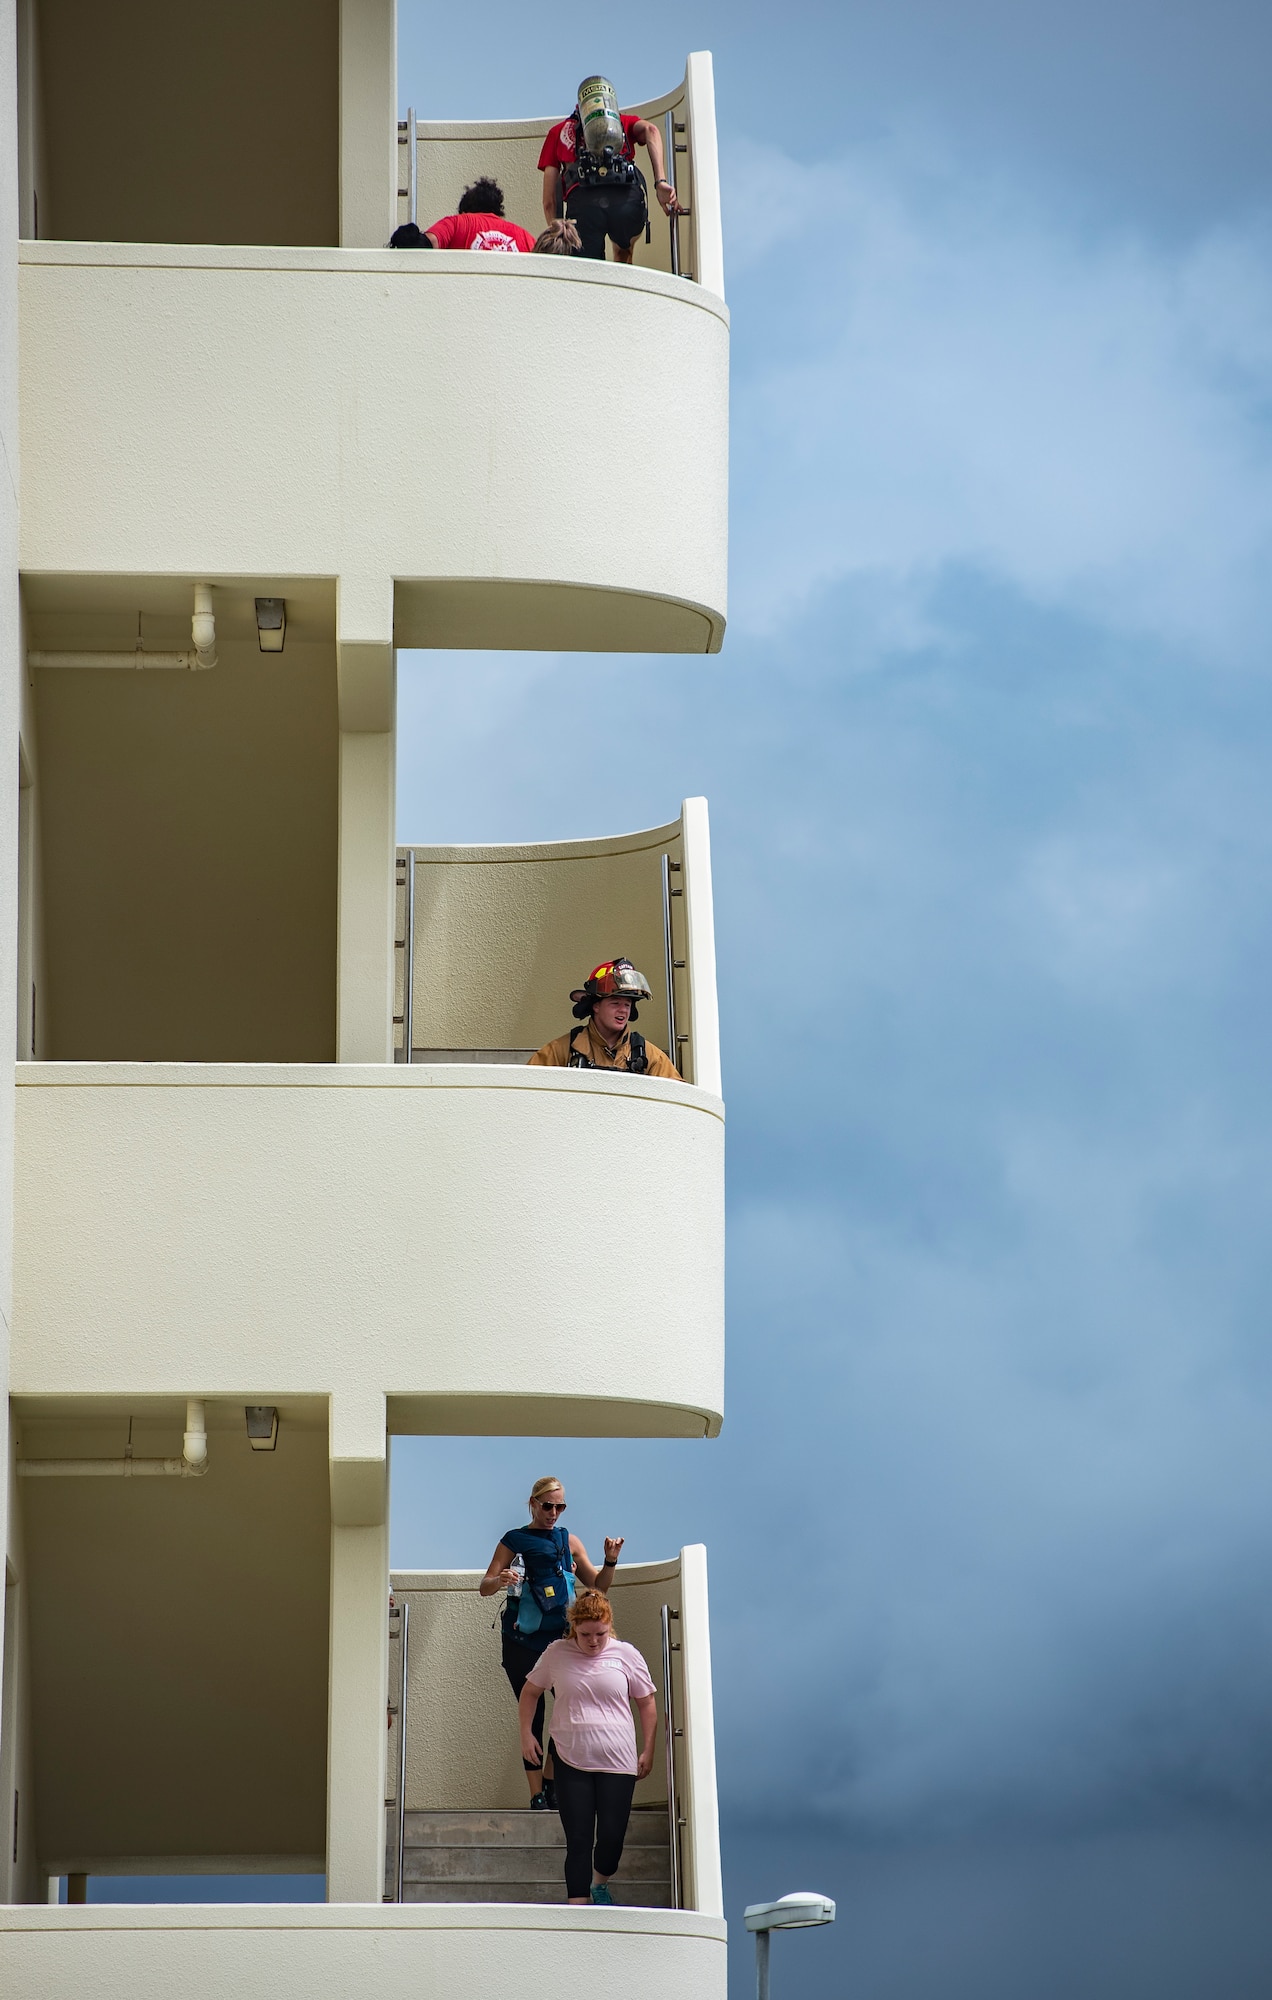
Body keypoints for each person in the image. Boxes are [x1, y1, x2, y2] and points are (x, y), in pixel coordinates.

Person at [479, 1477, 625, 1809]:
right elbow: (484, 1586)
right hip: (521, 1642)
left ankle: (550, 1781)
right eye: (548, 1506)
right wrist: (501, 1580)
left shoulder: (568, 1540)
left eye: (560, 1507)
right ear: (532, 1503)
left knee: (572, 1714)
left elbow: (598, 1589)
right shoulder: (514, 1540)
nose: (554, 1513)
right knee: (533, 1716)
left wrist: (610, 1560)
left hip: (561, 1645)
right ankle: (537, 1797)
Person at [520, 1589, 658, 1905]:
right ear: (573, 1627)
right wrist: (526, 1734)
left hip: (618, 1762)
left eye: (600, 1634)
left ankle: (599, 1883)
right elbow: (530, 1692)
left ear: (609, 1627)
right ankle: (578, 1909)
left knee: (611, 1839)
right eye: (585, 1634)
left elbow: (646, 1703)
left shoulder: (626, 1654)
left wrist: (648, 1749)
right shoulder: (556, 1653)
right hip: (570, 1760)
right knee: (579, 1839)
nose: (593, 1641)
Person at [538, 75, 683, 264]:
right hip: (626, 199)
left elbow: (549, 200)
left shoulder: (558, 132)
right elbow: (652, 131)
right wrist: (660, 182)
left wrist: (557, 230)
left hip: (583, 205)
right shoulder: (622, 123)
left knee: (588, 268)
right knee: (623, 255)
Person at [529, 959, 681, 1078]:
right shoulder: (561, 1051)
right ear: (596, 1006)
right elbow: (527, 1089)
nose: (622, 1010)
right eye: (615, 1003)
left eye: (627, 1005)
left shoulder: (651, 1057)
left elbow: (677, 1100)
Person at [389, 177, 536, 253]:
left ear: (464, 210)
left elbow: (422, 246)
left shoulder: (457, 223)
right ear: (498, 211)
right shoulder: (525, 237)